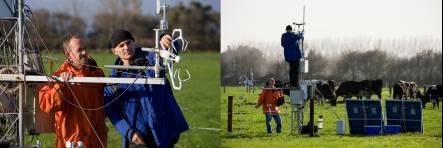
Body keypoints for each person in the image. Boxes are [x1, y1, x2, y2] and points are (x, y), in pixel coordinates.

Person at [104, 29, 188, 148]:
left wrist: (166, 39)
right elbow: (113, 112)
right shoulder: (113, 80)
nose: (126, 47)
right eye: (121, 45)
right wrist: (129, 132)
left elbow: (171, 51)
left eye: (128, 43)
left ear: (134, 42)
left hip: (162, 132)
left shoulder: (152, 60)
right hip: (138, 138)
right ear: (114, 51)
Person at [38, 34, 107, 148]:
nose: (85, 53)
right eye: (80, 50)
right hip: (72, 141)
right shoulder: (58, 76)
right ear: (68, 55)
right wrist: (60, 85)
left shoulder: (97, 73)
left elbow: (105, 102)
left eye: (85, 48)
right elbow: (46, 105)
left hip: (96, 141)